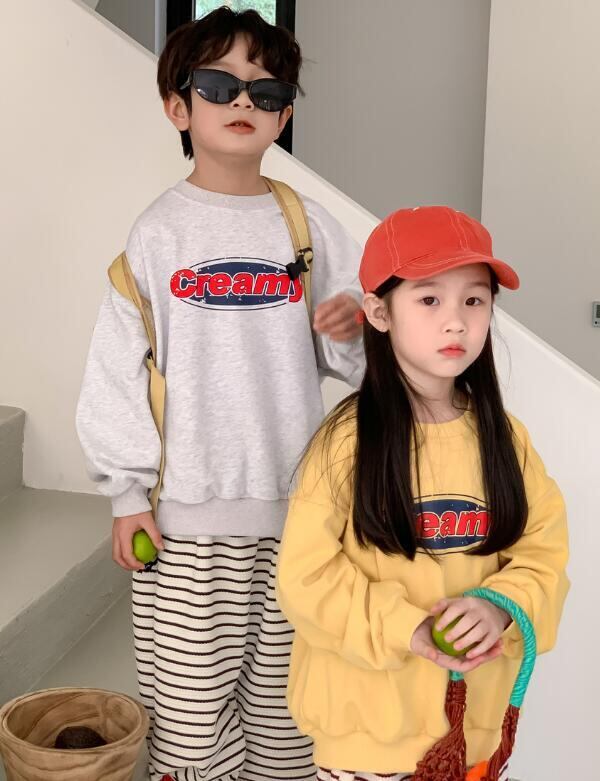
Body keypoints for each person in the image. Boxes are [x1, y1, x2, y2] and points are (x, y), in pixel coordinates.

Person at [76, 8, 363, 781]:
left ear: (284, 116)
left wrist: (352, 333)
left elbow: (365, 362)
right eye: (217, 84)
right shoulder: (157, 235)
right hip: (183, 527)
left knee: (288, 715)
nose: (243, 101)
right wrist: (126, 493)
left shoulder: (308, 226)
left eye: (266, 91)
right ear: (178, 107)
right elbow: (115, 370)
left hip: (301, 522)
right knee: (190, 723)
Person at [276, 205, 570, 781]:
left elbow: (544, 556)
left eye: (474, 300)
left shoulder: (505, 439)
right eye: (430, 299)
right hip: (366, 741)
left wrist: (500, 606)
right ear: (379, 312)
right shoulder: (346, 443)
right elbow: (306, 578)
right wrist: (407, 629)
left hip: (473, 736)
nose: (456, 322)